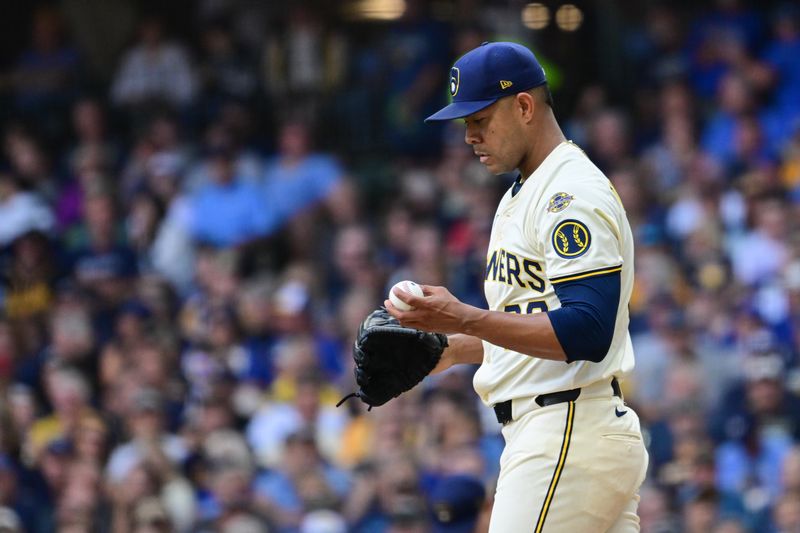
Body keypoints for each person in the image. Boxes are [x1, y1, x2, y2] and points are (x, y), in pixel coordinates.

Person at [386, 42, 649, 532]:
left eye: (479, 120)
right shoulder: (523, 193)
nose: (469, 137)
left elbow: (586, 331)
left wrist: (462, 316)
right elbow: (536, 325)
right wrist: (451, 347)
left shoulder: (567, 195)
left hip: (565, 431)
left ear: (524, 106)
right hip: (565, 431)